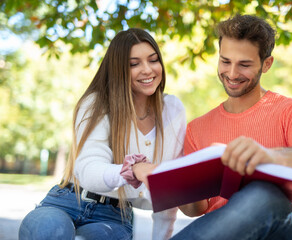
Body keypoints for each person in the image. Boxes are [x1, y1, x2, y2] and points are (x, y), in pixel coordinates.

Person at [172, 15, 292, 240]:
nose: (231, 73)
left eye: (244, 64)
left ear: (266, 64)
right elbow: (197, 210)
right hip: (228, 234)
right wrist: (179, 184)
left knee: (262, 192)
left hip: (281, 230)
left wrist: (269, 157)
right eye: (225, 61)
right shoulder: (196, 129)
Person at [19, 28, 186, 240]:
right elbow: (88, 168)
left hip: (114, 216)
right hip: (67, 201)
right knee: (51, 233)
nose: (148, 70)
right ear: (118, 70)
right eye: (134, 64)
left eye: (153, 60)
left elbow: (168, 190)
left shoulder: (172, 109)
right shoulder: (96, 103)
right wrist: (132, 170)